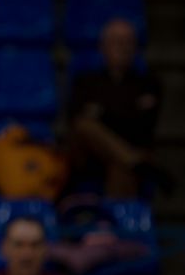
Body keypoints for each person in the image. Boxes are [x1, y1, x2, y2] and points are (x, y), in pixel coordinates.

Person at [65, 17, 167, 198]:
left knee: (120, 167)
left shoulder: (149, 83)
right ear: (103, 46)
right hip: (86, 156)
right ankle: (134, 160)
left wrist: (103, 113)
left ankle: (112, 224)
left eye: (128, 42)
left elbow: (144, 126)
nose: (123, 47)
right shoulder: (86, 82)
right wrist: (128, 110)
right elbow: (74, 120)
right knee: (85, 126)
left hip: (125, 149)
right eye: (117, 42)